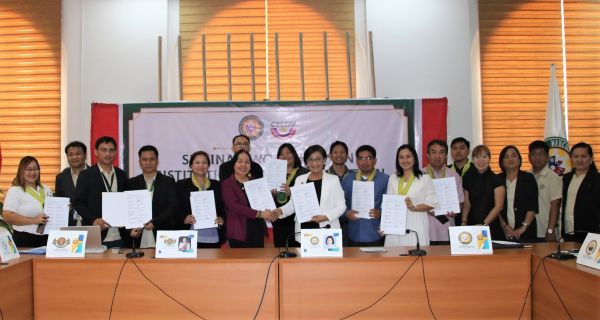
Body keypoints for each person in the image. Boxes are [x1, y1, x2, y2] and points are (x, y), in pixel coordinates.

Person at [275, 145, 346, 244]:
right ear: (306, 162)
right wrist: (279, 211)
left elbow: (341, 206)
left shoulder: (333, 180)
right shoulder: (300, 179)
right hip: (304, 230)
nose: (314, 163)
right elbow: (293, 204)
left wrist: (326, 217)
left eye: (318, 159)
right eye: (310, 160)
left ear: (324, 160)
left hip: (326, 228)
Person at [72, 136, 128, 248]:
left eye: (111, 150)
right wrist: (93, 220)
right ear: (96, 152)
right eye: (103, 150)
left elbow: (127, 201)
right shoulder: (86, 175)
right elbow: (77, 202)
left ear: (116, 152)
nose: (107, 154)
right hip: (97, 233)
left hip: (119, 234)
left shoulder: (122, 174)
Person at [383, 144, 437, 247]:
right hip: (395, 225)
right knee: (394, 257)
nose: (405, 160)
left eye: (408, 156)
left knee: (416, 257)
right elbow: (388, 204)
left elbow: (432, 203)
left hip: (416, 223)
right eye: (401, 157)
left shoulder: (425, 178)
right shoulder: (393, 178)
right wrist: (385, 226)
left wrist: (414, 207)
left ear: (414, 158)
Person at [222, 150, 278, 248]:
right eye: (240, 161)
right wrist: (260, 214)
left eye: (247, 162)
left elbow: (263, 203)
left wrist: (270, 201)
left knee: (257, 262)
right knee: (240, 262)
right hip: (238, 232)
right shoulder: (227, 184)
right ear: (234, 164)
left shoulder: (256, 182)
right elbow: (234, 206)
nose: (243, 165)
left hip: (257, 231)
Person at [127, 145, 178, 248]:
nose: (148, 163)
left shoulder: (168, 182)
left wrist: (155, 222)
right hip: (138, 234)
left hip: (162, 233)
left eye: (152, 159)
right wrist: (129, 230)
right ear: (139, 162)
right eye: (144, 159)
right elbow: (127, 209)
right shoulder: (131, 183)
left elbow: (173, 207)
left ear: (157, 161)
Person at [341, 145, 389, 246]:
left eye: (368, 158)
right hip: (353, 233)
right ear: (357, 161)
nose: (365, 162)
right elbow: (339, 204)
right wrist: (346, 213)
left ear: (375, 160)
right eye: (361, 158)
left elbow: (391, 205)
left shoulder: (385, 180)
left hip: (376, 233)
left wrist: (381, 212)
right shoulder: (348, 180)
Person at [176, 150, 225, 248]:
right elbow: (175, 208)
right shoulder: (181, 185)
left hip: (213, 236)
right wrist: (184, 218)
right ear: (191, 166)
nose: (201, 165)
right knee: (189, 263)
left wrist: (222, 219)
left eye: (204, 162)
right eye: (197, 162)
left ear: (208, 166)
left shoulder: (218, 185)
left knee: (212, 263)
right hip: (187, 236)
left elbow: (224, 207)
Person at [2, 156, 53, 247]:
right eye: (28, 169)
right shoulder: (15, 191)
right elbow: (7, 216)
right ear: (21, 171)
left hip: (48, 239)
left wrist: (63, 208)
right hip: (25, 240)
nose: (32, 172)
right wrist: (34, 220)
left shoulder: (46, 189)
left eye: (35, 169)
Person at [424, 140, 464, 245]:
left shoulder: (454, 176)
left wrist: (455, 210)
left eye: (441, 152)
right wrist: (424, 208)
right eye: (433, 152)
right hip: (424, 230)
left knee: (445, 261)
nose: (437, 156)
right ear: (427, 155)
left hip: (446, 229)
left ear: (446, 155)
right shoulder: (419, 175)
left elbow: (460, 202)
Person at [461, 145, 505, 239]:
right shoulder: (468, 179)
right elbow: (467, 205)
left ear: (489, 159)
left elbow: (499, 207)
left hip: (490, 227)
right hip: (472, 227)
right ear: (473, 159)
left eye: (484, 156)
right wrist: (463, 222)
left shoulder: (497, 180)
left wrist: (483, 225)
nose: (481, 160)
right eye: (477, 157)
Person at [497, 146, 538, 242]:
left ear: (519, 160)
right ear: (502, 162)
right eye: (506, 157)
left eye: (514, 156)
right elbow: (496, 208)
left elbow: (532, 206)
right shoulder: (497, 179)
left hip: (526, 232)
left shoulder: (528, 178)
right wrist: (505, 226)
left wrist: (523, 227)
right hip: (503, 232)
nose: (510, 159)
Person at [561, 142, 600, 242]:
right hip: (568, 232)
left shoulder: (597, 179)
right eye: (575, 156)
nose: (579, 160)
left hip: (592, 234)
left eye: (584, 156)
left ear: (591, 159)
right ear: (571, 159)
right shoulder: (566, 178)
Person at [272, 143, 309, 247]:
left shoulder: (304, 173)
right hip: (279, 219)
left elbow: (308, 196)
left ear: (294, 154)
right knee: (281, 250)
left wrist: (292, 192)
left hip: (297, 219)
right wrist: (272, 194)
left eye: (288, 153)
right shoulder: (274, 173)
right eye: (281, 154)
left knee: (298, 252)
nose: (285, 156)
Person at [528, 140, 562, 242]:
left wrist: (550, 230)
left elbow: (555, 205)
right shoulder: (526, 177)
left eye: (541, 154)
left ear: (547, 157)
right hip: (528, 230)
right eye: (534, 154)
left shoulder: (553, 177)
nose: (537, 157)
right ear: (529, 157)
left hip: (546, 231)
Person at [55, 141, 89, 226]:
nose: (74, 157)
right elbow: (58, 201)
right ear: (67, 157)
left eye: (78, 154)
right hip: (69, 224)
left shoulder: (94, 174)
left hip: (90, 223)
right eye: (70, 155)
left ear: (85, 155)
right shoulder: (61, 178)